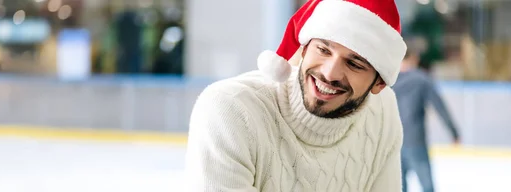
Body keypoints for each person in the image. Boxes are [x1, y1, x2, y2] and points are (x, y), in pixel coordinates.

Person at [185, 0, 408, 191]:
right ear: (304, 48)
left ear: (379, 83)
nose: (330, 74)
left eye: (354, 63)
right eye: (323, 50)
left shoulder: (381, 111)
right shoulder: (229, 110)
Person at [392, 40, 461, 192]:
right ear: (414, 58)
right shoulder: (422, 79)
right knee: (427, 186)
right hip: (415, 140)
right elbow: (440, 107)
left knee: (399, 186)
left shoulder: (389, 80)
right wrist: (454, 132)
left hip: (393, 140)